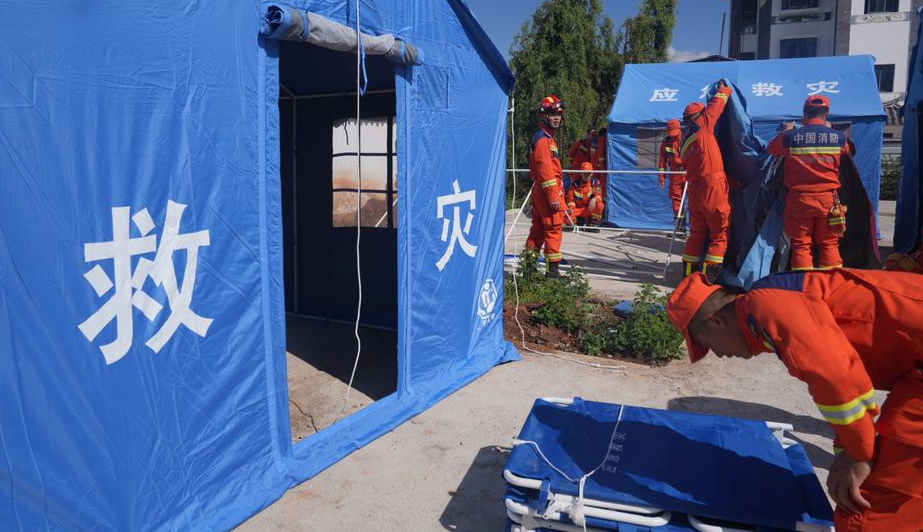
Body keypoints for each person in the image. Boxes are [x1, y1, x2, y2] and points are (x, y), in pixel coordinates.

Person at [667, 270, 923, 531]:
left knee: (866, 514)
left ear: (716, 322)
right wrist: (848, 451)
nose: (719, 355)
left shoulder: (768, 306)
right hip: (914, 375)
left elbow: (837, 379)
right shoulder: (770, 308)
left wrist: (859, 456)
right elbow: (845, 391)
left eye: (707, 344)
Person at [768, 95, 855, 271]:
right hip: (828, 201)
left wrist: (785, 131)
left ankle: (804, 283)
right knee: (829, 243)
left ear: (804, 113)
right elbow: (848, 151)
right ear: (827, 113)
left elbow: (771, 148)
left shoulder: (789, 137)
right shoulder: (838, 137)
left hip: (799, 200)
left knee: (801, 244)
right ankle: (832, 283)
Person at [680, 80, 733, 282]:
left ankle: (688, 277)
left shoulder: (684, 140)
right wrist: (725, 89)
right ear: (697, 116)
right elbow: (716, 106)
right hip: (712, 187)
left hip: (695, 191)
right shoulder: (702, 126)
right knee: (720, 234)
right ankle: (710, 280)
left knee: (697, 234)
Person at [525, 95, 567, 278]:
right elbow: (545, 170)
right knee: (553, 229)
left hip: (541, 190)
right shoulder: (543, 139)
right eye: (553, 114)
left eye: (559, 114)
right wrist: (553, 196)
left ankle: (529, 268)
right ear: (544, 116)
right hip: (547, 191)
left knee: (539, 229)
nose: (557, 118)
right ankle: (553, 273)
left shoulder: (545, 137)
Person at [658, 119, 686, 228]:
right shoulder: (666, 142)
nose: (673, 135)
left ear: (679, 129)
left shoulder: (687, 138)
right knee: (676, 201)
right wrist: (662, 177)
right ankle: (680, 228)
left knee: (695, 200)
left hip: (689, 172)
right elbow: (662, 161)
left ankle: (698, 231)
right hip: (675, 174)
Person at [566, 162, 604, 230]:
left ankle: (591, 224)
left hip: (589, 210)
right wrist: (571, 209)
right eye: (584, 173)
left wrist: (595, 199)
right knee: (566, 216)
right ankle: (578, 221)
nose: (587, 175)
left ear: (592, 173)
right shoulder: (575, 184)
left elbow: (599, 195)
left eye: (589, 173)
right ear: (581, 173)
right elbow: (570, 200)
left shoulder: (595, 183)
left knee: (600, 205)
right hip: (577, 210)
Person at [593, 127, 608, 204]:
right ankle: (601, 200)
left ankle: (600, 199)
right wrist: (603, 169)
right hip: (600, 168)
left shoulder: (597, 141)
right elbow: (601, 156)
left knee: (599, 184)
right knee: (601, 184)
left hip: (597, 167)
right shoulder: (602, 139)